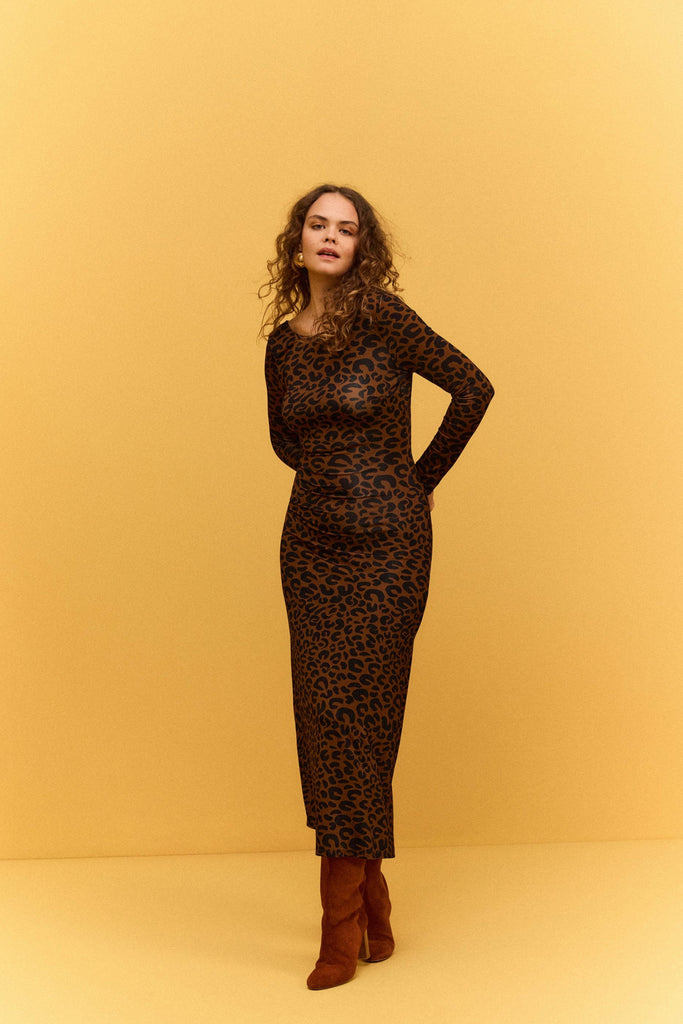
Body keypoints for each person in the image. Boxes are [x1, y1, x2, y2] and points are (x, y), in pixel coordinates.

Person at [262, 184, 494, 989]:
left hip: (389, 546)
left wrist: (413, 480)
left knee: (363, 720)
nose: (330, 237)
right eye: (317, 225)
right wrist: (333, 479)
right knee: (321, 719)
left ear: (362, 247)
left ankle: (339, 927)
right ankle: (370, 902)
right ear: (297, 243)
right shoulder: (282, 345)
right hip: (309, 549)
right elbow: (284, 441)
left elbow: (473, 388)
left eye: (346, 228)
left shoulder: (385, 320)